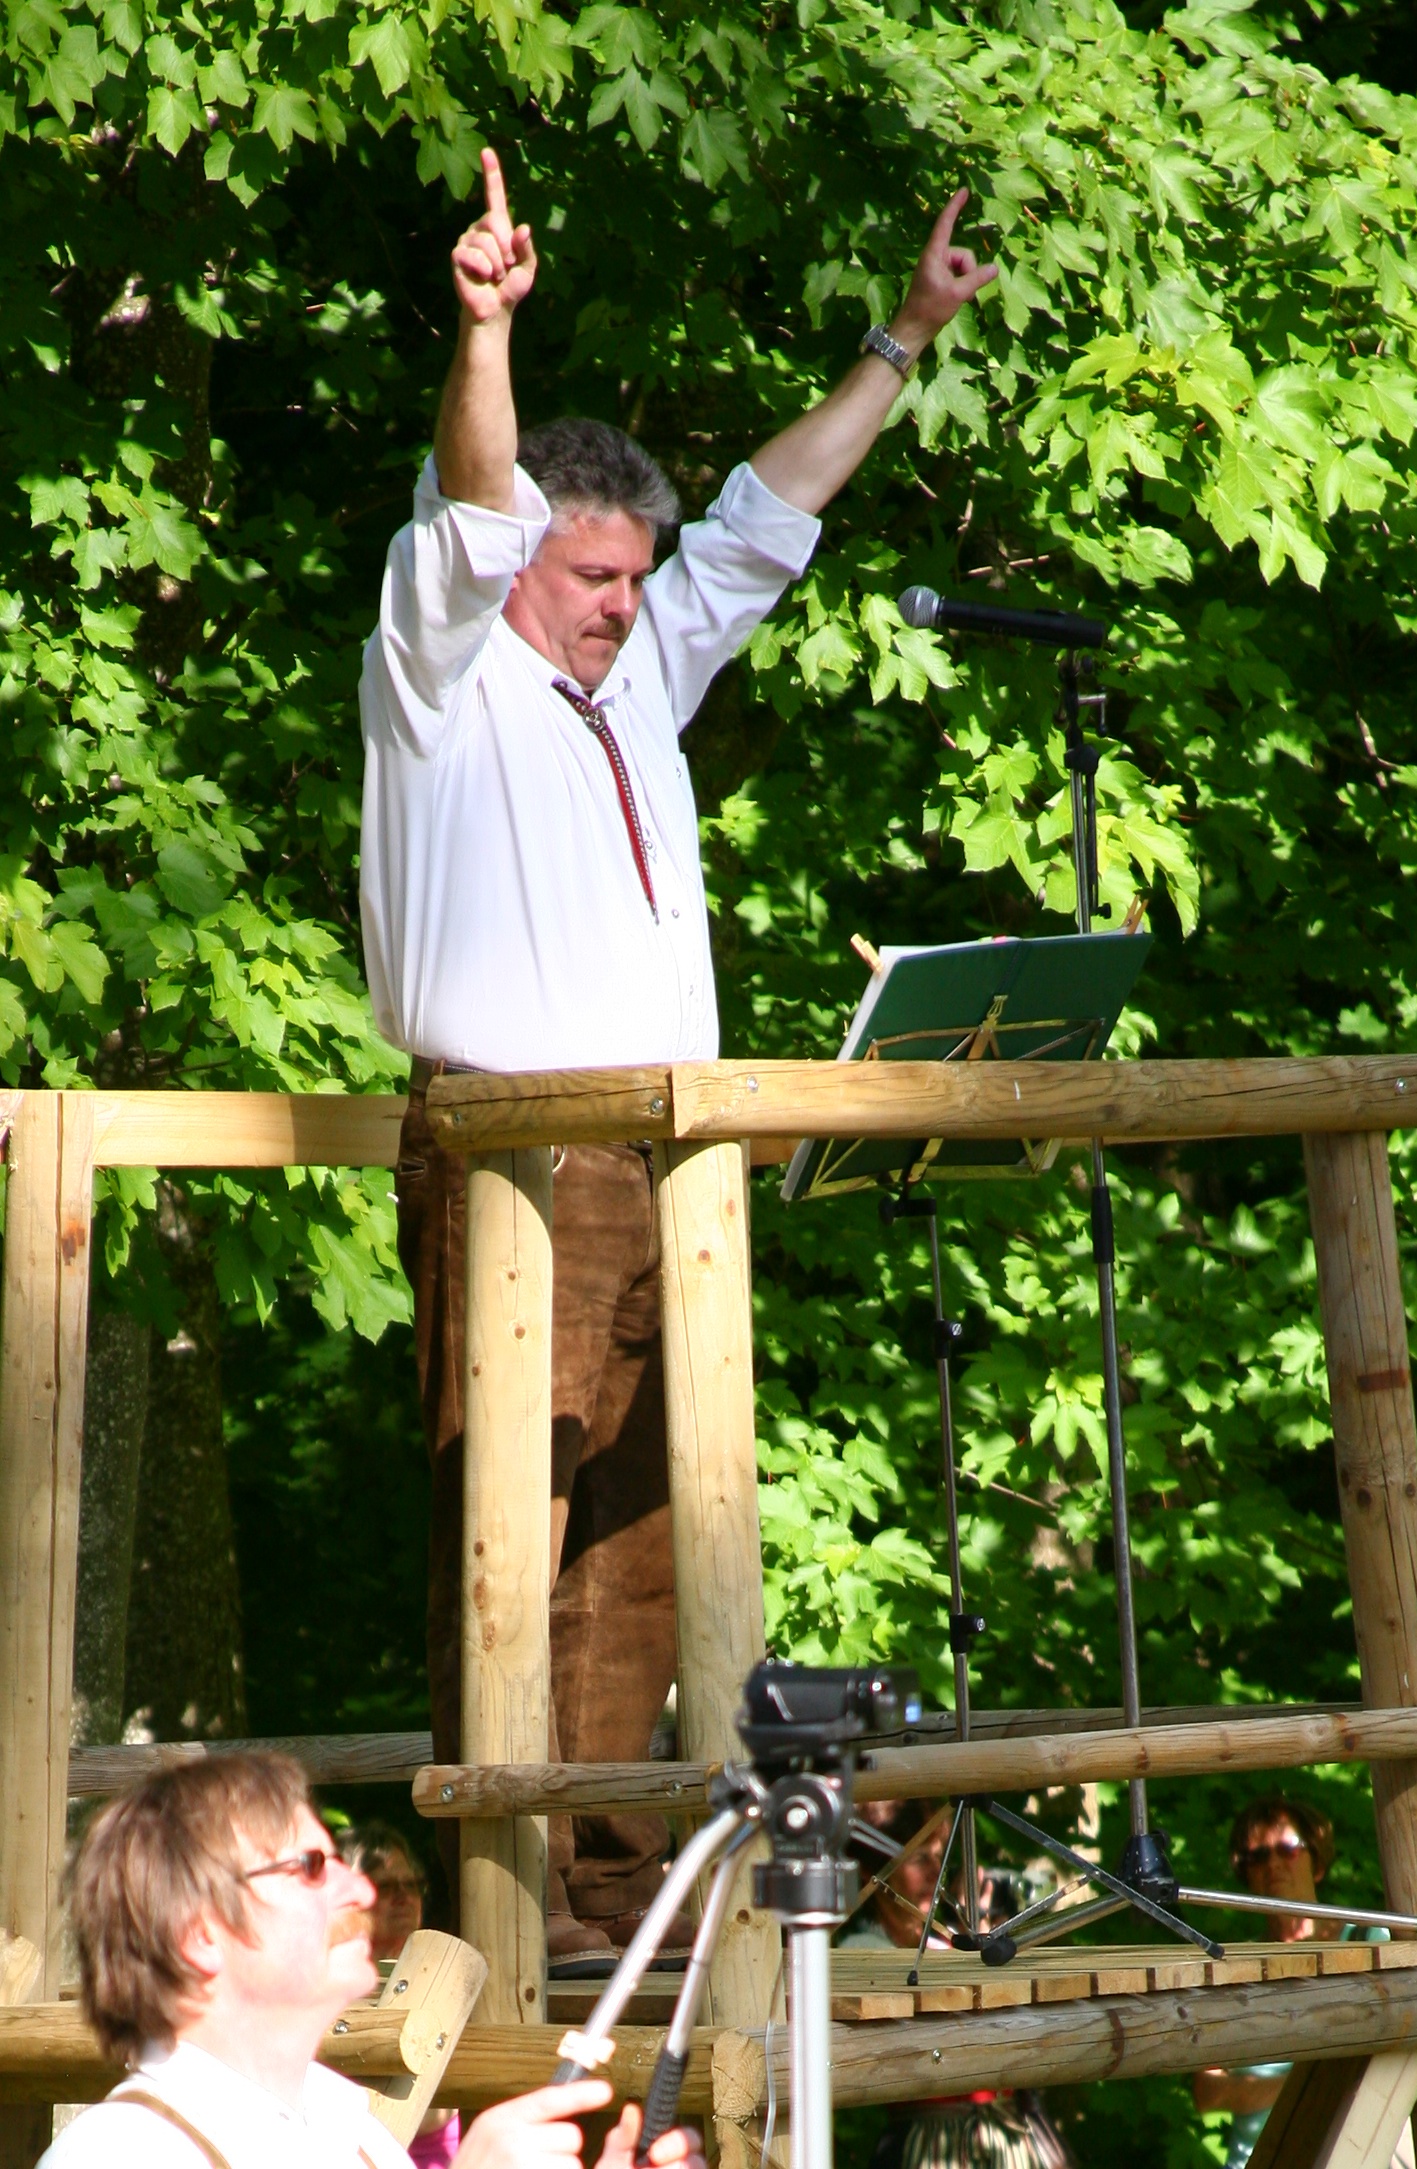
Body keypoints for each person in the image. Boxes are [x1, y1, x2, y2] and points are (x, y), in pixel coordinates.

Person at [359, 143, 999, 1966]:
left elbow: (764, 515)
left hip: (667, 1159)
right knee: (518, 1529)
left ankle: (617, 1883)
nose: (619, 602)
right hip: (516, 1151)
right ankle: (521, 1897)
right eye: (589, 573)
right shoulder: (441, 663)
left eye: (632, 576)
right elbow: (470, 498)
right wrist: (485, 330)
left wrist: (900, 338)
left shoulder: (638, 663)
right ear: (517, 561)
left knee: (647, 1544)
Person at [41, 1752, 707, 2169]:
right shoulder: (121, 2152)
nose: (359, 1891)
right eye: (310, 1865)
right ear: (199, 1935)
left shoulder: (349, 2130)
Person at [838, 1803, 1070, 2169]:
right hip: (932, 2141)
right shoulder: (861, 1951)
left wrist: (983, 1938)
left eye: (937, 1857)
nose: (935, 1872)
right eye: (919, 1859)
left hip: (1008, 2131)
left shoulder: (947, 1941)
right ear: (874, 1873)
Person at [1193, 1794, 1394, 2169]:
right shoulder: (1232, 1968)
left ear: (1316, 1861)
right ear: (1247, 1874)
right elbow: (1208, 2093)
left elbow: (1385, 2062)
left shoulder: (1367, 1940)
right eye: (1258, 1856)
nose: (1272, 1863)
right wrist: (1307, 2087)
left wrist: (1259, 2092)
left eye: (1286, 1849)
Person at [339, 1823, 459, 2169]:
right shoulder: (328, 1991)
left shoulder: (443, 1978)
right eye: (387, 1886)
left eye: (412, 1884)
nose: (404, 1897)